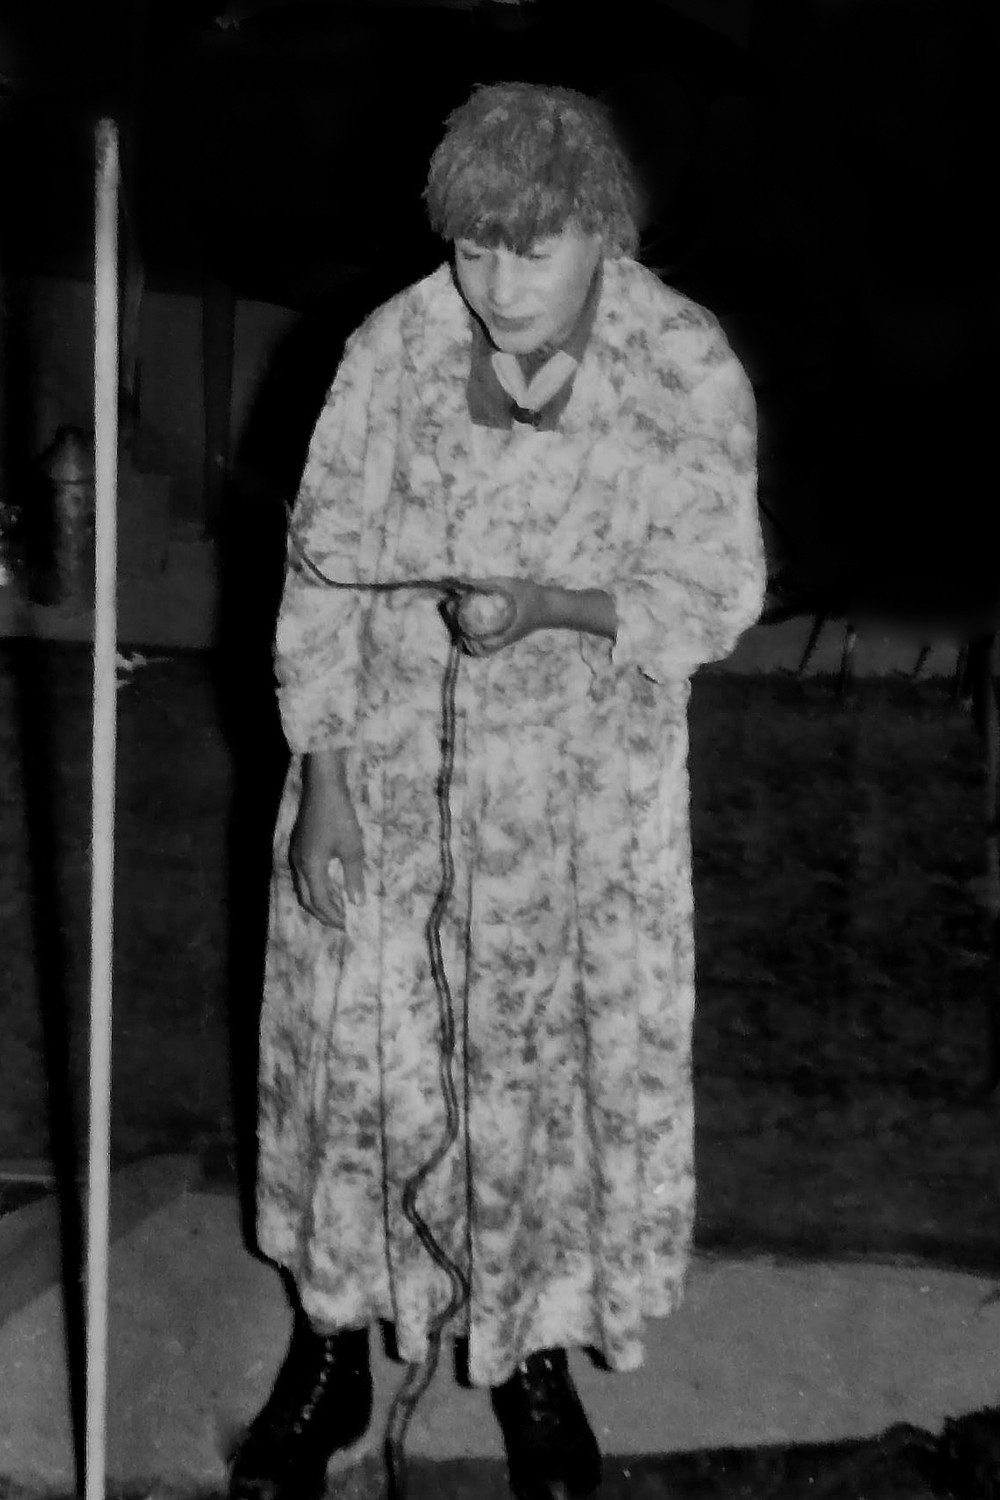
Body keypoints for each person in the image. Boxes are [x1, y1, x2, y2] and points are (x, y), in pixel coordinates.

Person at [229, 80, 766, 1500]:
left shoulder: (682, 365)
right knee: (359, 1066)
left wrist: (553, 606)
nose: (500, 287)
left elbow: (718, 590)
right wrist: (325, 778)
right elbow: (318, 573)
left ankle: (528, 1358)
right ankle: (331, 1351)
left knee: (537, 1084)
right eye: (475, 251)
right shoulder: (392, 352)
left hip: (575, 813)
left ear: (601, 232)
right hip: (389, 778)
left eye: (535, 252)